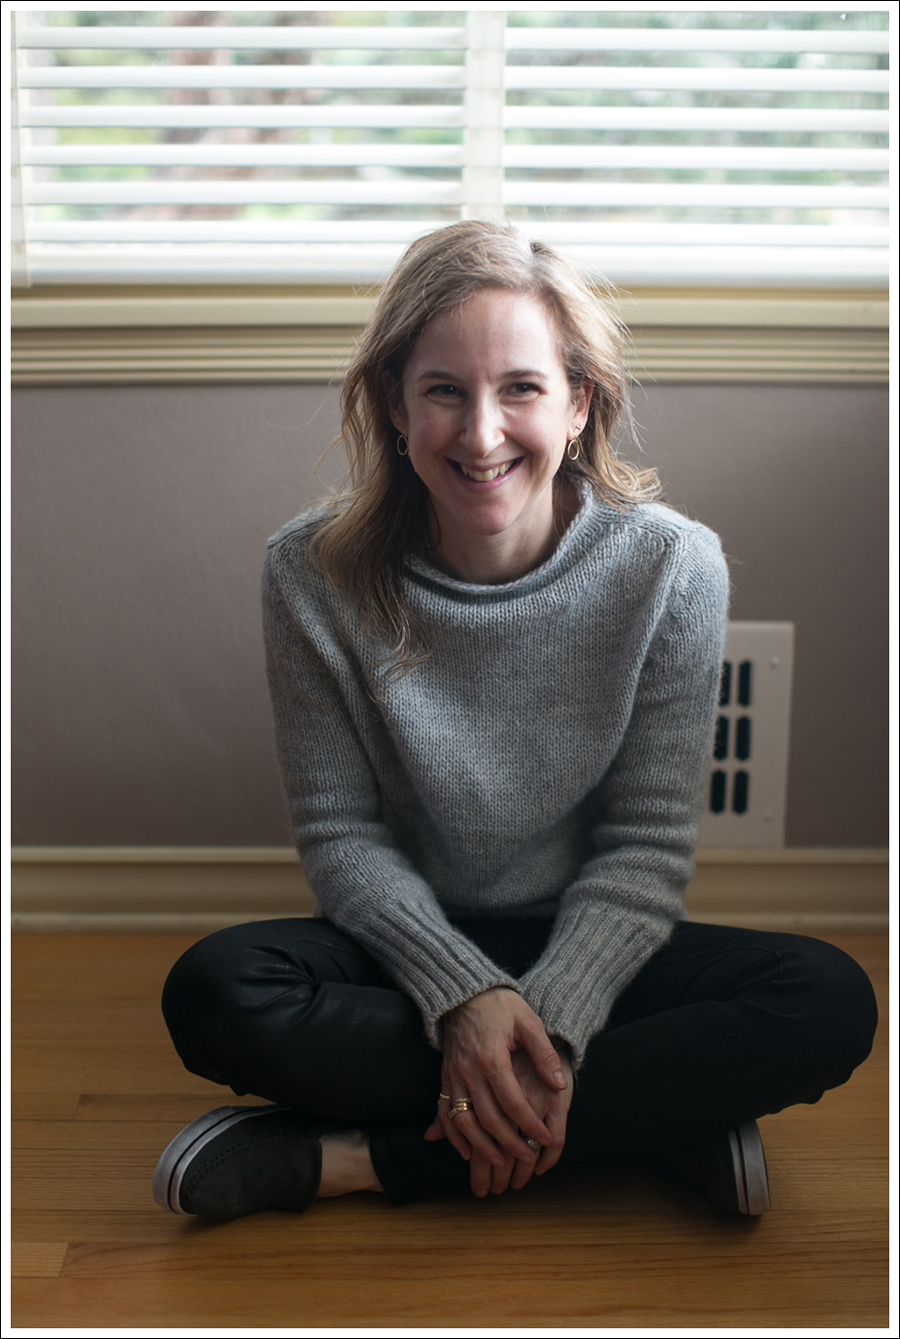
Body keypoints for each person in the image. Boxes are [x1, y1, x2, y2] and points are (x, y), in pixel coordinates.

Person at [153, 221, 877, 1222]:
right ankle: (659, 1124)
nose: (482, 433)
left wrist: (556, 1018)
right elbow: (342, 837)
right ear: (396, 406)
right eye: (445, 390)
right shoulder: (309, 573)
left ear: (579, 403)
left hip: (596, 938)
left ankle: (357, 1162)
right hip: (408, 944)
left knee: (827, 998)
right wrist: (462, 996)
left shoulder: (673, 569)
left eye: (522, 389)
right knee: (215, 990)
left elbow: (643, 850)